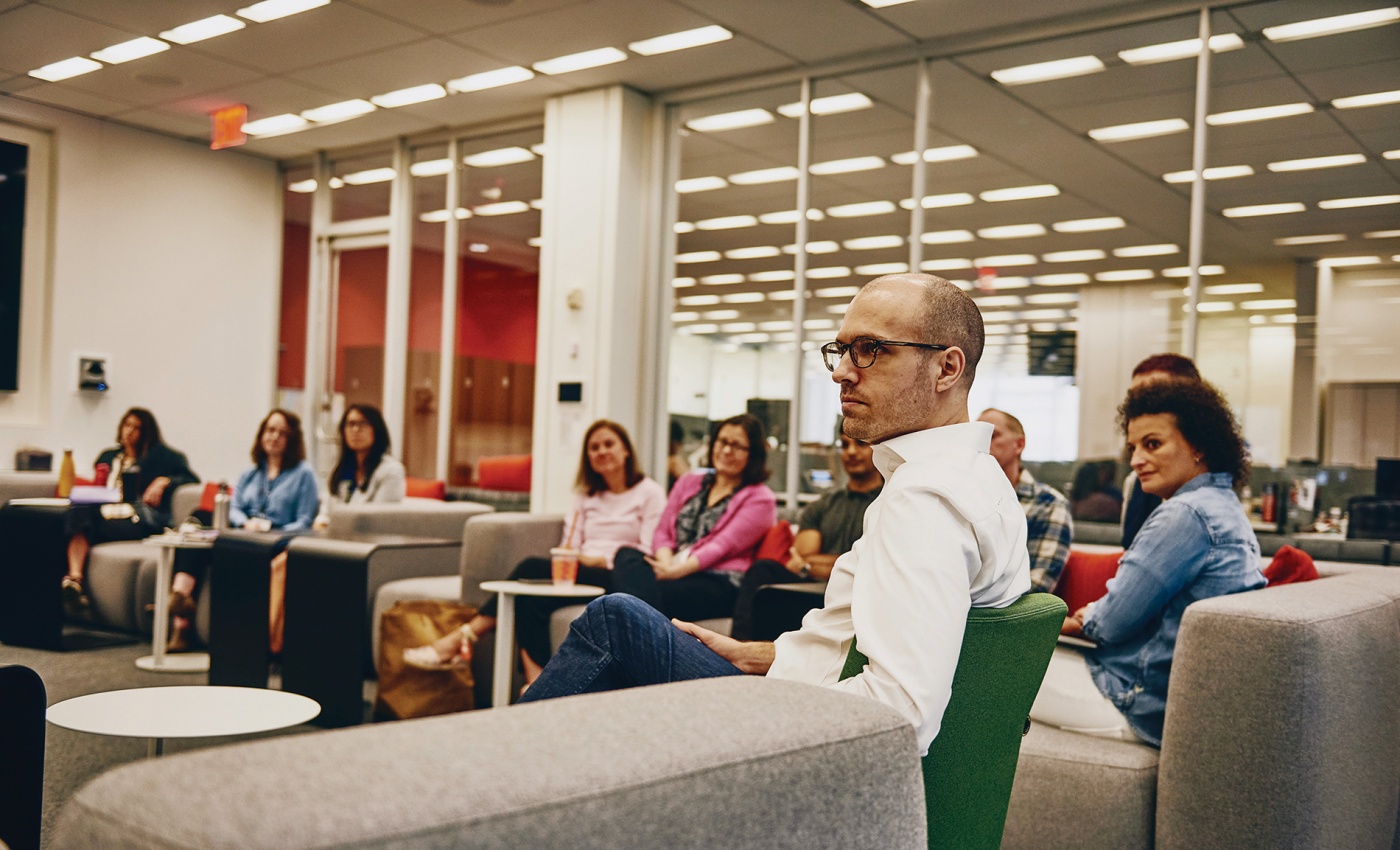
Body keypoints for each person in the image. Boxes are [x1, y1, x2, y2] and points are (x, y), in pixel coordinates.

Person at [519, 273, 1030, 757]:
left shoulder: (925, 501)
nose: (842, 371)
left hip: (810, 747)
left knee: (615, 622)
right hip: (811, 700)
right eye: (841, 350)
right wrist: (758, 655)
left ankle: (495, 779)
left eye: (871, 349)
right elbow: (855, 646)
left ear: (947, 369)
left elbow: (901, 715)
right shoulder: (974, 478)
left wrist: (770, 702)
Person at [1032, 377, 1264, 746]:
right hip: (1175, 702)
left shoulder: (1186, 515)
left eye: (1152, 444)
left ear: (1199, 445)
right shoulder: (1223, 506)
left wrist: (1088, 617)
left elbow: (1110, 624)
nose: (1136, 460)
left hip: (1135, 700)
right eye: (1133, 447)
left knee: (980, 664)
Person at [403, 420, 666, 685]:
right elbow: (570, 544)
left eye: (609, 444)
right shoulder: (585, 495)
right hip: (581, 570)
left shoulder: (649, 492)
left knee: (529, 568)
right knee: (526, 597)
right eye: (594, 447)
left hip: (620, 576)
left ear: (626, 450)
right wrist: (574, 556)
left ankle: (460, 638)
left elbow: (646, 550)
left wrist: (602, 560)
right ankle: (534, 684)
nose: (602, 452)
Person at [164, 409, 319, 652]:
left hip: (274, 541)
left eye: (282, 433)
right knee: (197, 524)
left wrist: (269, 530)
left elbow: (304, 521)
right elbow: (234, 508)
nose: (274, 437)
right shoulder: (251, 473)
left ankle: (179, 614)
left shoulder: (303, 474)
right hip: (242, 534)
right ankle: (180, 604)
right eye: (270, 430)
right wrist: (246, 523)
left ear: (292, 439)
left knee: (203, 525)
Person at [607, 413, 777, 624]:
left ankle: (642, 630)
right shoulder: (689, 481)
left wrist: (676, 571)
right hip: (672, 567)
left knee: (632, 590)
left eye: (737, 446)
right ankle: (647, 631)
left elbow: (722, 546)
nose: (726, 450)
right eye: (722, 442)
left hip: (718, 580)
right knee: (627, 556)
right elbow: (663, 531)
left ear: (753, 454)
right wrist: (666, 564)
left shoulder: (761, 499)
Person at [268, 403, 404, 653]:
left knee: (286, 565)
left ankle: (273, 645)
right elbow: (328, 511)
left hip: (366, 548)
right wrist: (323, 521)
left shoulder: (390, 471)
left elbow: (381, 518)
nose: (355, 430)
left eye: (362, 424)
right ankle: (276, 642)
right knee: (281, 563)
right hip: (333, 542)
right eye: (350, 425)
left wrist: (333, 523)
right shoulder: (343, 469)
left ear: (376, 430)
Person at [729, 431, 882, 641]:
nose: (851, 452)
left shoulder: (885, 504)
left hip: (857, 596)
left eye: (860, 444)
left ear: (877, 448)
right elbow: (800, 558)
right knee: (763, 570)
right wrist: (814, 566)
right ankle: (738, 648)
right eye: (845, 445)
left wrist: (810, 565)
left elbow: (868, 565)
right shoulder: (823, 505)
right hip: (811, 590)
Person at [61, 408, 198, 616]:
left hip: (138, 518)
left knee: (78, 525)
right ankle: (74, 581)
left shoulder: (163, 457)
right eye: (127, 425)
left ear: (147, 432)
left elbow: (190, 479)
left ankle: (73, 580)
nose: (130, 431)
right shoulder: (108, 456)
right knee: (75, 513)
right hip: (104, 513)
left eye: (137, 428)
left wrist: (164, 481)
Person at [977, 408, 1073, 594]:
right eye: (979, 435)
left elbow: (1037, 586)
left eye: (993, 435)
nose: (982, 443)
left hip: (1006, 610)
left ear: (1019, 445)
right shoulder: (965, 496)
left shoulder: (1049, 504)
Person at [1121, 353, 1201, 548]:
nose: (1141, 407)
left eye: (1155, 397)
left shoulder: (1210, 499)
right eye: (1135, 398)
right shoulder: (1134, 482)